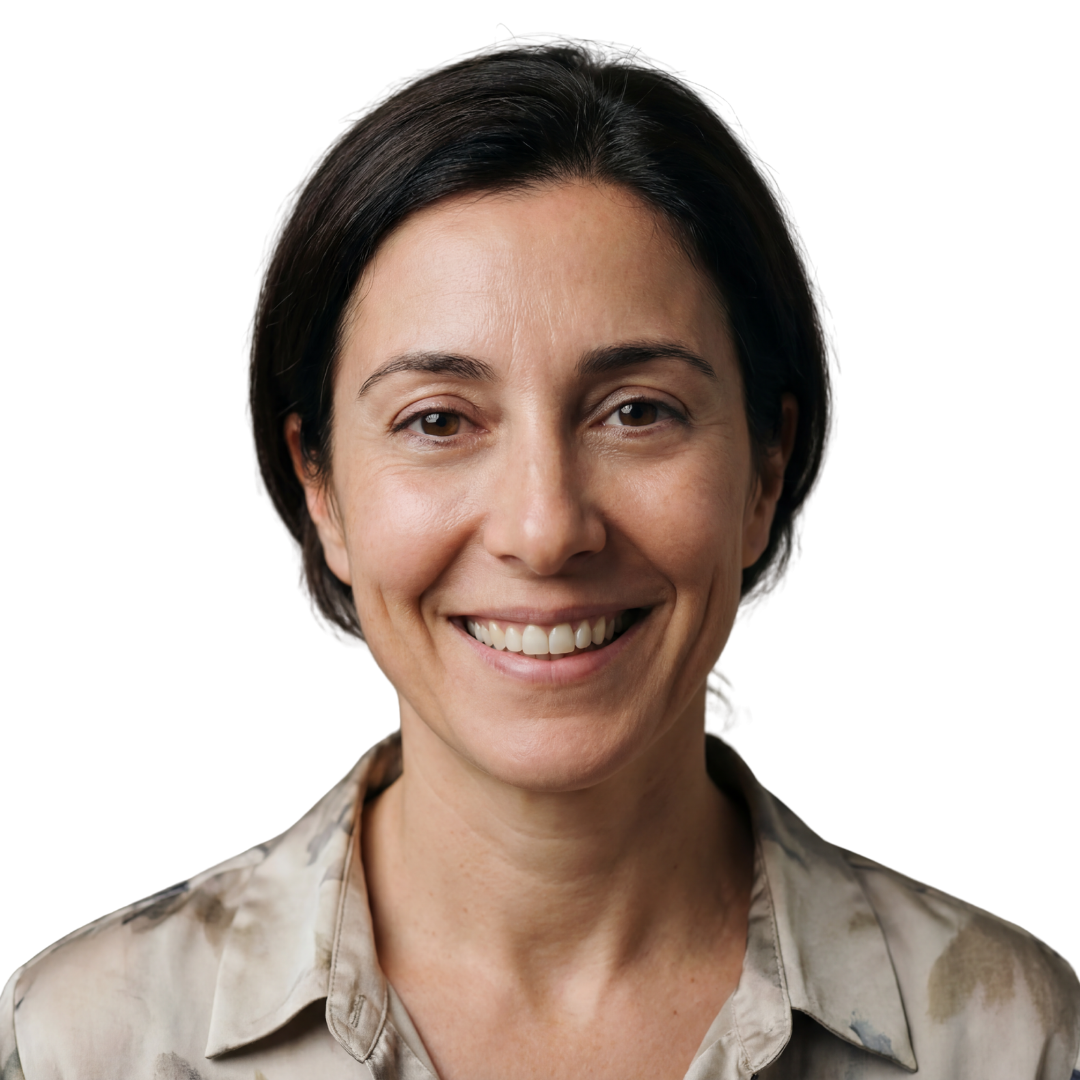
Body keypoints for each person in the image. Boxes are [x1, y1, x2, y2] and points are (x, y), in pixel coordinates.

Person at [2, 42, 1076, 1080]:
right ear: (319, 485)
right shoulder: (86, 1046)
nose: (545, 527)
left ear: (765, 467)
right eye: (437, 420)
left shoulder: (1007, 1043)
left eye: (637, 411)